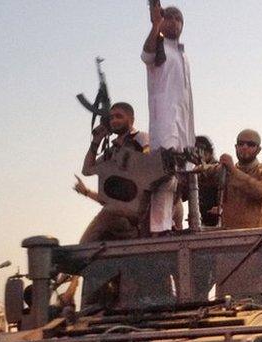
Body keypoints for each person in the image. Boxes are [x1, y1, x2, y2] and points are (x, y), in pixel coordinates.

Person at [142, 4, 195, 234]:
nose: (174, 21)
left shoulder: (182, 54)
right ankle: (159, 227)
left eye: (178, 18)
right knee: (165, 175)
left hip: (183, 122)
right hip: (165, 120)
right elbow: (146, 54)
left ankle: (178, 223)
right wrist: (155, 25)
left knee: (184, 176)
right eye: (169, 17)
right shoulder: (159, 46)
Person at [75, 102, 149, 244]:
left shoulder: (140, 138)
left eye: (119, 116)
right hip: (120, 213)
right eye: (111, 118)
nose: (114, 120)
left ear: (131, 119)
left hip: (139, 209)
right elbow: (87, 170)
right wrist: (96, 141)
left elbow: (148, 159)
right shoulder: (111, 151)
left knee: (85, 244)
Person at [200, 129, 262, 229]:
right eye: (241, 143)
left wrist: (233, 171)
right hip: (230, 237)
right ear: (236, 147)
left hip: (261, 238)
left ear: (258, 150)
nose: (244, 147)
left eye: (250, 144)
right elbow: (200, 173)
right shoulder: (227, 170)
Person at [193, 135, 222, 227]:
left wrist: (221, 208)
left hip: (218, 220)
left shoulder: (218, 170)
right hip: (203, 220)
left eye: (199, 152)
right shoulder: (196, 171)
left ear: (209, 153)